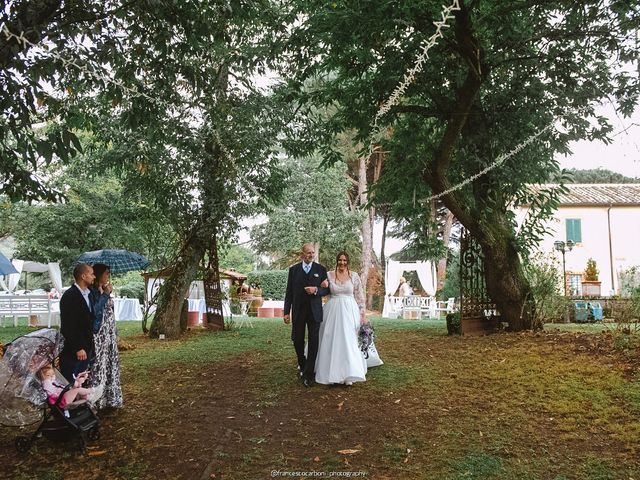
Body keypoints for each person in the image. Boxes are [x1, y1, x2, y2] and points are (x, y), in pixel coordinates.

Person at [315, 252, 382, 385]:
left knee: (349, 340)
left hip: (350, 311)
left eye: (344, 260)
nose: (342, 263)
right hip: (332, 310)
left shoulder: (354, 276)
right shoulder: (328, 275)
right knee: (331, 339)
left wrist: (362, 314)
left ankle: (350, 373)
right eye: (340, 260)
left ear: (348, 261)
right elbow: (322, 290)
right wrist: (320, 286)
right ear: (337, 261)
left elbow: (359, 296)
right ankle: (331, 372)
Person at [283, 243, 329, 387]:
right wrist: (286, 312)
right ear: (302, 254)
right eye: (308, 252)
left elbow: (326, 291)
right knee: (297, 340)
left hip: (314, 312)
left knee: (314, 341)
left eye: (312, 252)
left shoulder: (320, 270)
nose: (311, 255)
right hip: (298, 311)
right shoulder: (294, 270)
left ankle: (309, 374)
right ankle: (302, 364)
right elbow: (289, 292)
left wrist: (316, 290)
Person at [89, 263, 123, 409]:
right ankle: (96, 400)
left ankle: (110, 398)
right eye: (106, 273)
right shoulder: (92, 292)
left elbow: (109, 311)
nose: (108, 275)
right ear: (98, 274)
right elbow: (95, 310)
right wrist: (104, 295)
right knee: (99, 365)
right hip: (99, 334)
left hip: (109, 334)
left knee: (110, 364)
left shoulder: (103, 290)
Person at [59, 263, 95, 383]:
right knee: (71, 380)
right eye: (91, 274)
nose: (94, 277)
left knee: (80, 380)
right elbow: (68, 325)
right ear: (83, 276)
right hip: (74, 349)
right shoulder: (70, 296)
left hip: (87, 345)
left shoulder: (88, 294)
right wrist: (78, 347)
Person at [38, 364, 103, 408]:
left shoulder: (54, 382)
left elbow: (62, 388)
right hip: (61, 400)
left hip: (65, 396)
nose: (52, 376)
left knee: (76, 388)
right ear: (43, 377)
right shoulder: (46, 383)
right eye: (48, 375)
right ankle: (92, 390)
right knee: (77, 390)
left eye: (52, 374)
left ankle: (88, 397)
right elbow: (52, 392)